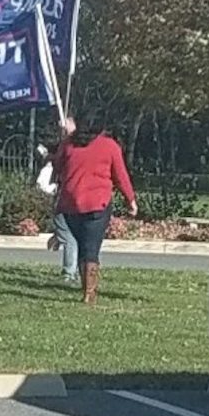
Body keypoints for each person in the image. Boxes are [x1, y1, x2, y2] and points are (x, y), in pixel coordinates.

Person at [52, 115, 136, 305]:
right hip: (98, 203)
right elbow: (120, 175)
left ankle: (85, 287)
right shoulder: (109, 146)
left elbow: (57, 167)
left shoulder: (68, 145)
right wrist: (130, 199)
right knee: (91, 248)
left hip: (71, 203)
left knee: (82, 246)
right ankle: (89, 293)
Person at [35, 143, 79, 284]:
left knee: (70, 238)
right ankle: (73, 271)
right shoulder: (54, 169)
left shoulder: (58, 166)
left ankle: (70, 271)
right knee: (72, 238)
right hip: (67, 203)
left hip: (66, 203)